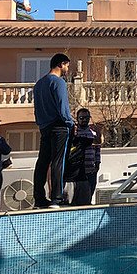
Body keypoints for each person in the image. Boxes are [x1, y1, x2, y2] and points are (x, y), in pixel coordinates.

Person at [32, 53, 74, 208]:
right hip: (59, 127)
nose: (68, 68)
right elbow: (63, 106)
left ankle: (39, 197)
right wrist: (70, 122)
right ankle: (57, 197)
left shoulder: (39, 84)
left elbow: (36, 108)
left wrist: (41, 123)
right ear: (61, 64)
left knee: (42, 162)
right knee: (58, 161)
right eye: (67, 65)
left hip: (44, 126)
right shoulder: (58, 82)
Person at [66, 108, 101, 206]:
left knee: (89, 195)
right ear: (77, 118)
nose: (84, 120)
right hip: (77, 171)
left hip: (91, 169)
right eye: (81, 118)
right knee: (76, 197)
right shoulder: (75, 132)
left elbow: (98, 149)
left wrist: (97, 164)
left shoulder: (94, 133)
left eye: (86, 118)